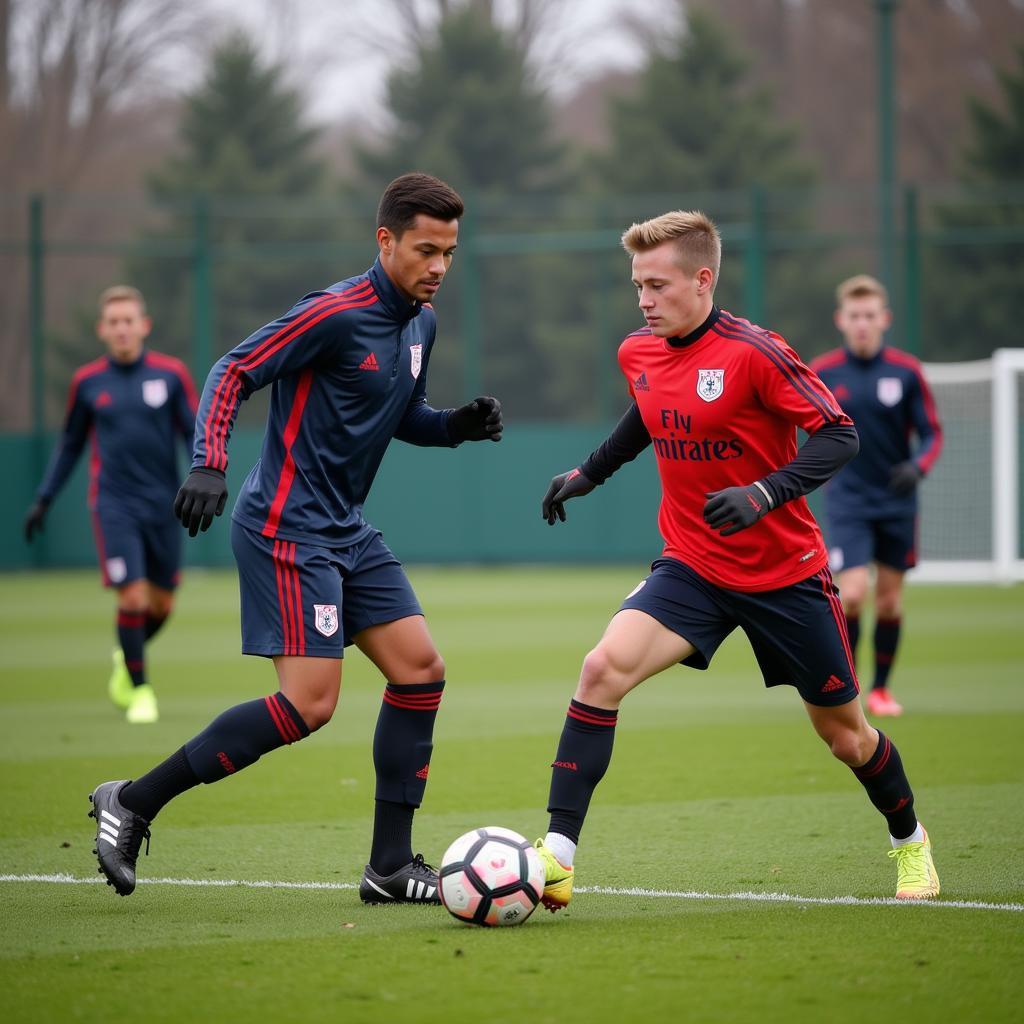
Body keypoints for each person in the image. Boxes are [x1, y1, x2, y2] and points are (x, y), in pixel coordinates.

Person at [87, 173, 503, 903]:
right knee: (311, 705)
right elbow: (234, 368)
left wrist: (452, 428)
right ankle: (133, 800)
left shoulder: (421, 324)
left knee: (420, 671)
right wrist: (209, 463)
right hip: (287, 529)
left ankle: (389, 866)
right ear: (386, 240)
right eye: (425, 249)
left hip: (346, 527)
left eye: (450, 252)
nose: (439, 266)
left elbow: (404, 413)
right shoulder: (333, 313)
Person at [532, 211, 939, 911]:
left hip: (785, 576)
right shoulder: (639, 351)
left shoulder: (755, 352)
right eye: (637, 286)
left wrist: (765, 492)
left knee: (846, 737)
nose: (644, 300)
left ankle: (911, 843)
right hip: (691, 564)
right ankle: (558, 857)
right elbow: (646, 413)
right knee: (601, 670)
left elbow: (837, 436)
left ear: (703, 279)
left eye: (657, 286)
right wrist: (590, 474)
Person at [24, 286, 198, 724]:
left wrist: (206, 474)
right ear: (102, 330)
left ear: (144, 326)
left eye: (128, 320)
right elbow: (69, 445)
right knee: (133, 597)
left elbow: (195, 432)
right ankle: (140, 690)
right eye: (114, 322)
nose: (122, 329)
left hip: (164, 505)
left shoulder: (171, 374)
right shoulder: (87, 382)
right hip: (114, 505)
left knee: (161, 606)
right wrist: (44, 498)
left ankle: (127, 657)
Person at [810, 275, 943, 717]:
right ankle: (844, 690)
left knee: (888, 601)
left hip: (896, 503)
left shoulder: (905, 372)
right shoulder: (824, 373)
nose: (862, 324)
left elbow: (932, 433)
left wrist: (918, 467)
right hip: (848, 500)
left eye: (870, 316)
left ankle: (881, 690)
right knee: (851, 595)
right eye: (854, 316)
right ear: (840, 320)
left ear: (884, 319)